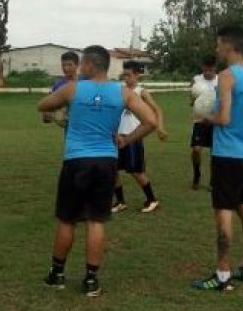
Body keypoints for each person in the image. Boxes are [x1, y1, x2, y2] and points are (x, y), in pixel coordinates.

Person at [38, 46, 156, 297]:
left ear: (91, 64)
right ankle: (91, 280)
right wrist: (126, 140)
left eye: (82, 63)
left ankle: (57, 274)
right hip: (106, 162)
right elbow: (151, 122)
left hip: (76, 160)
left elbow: (43, 105)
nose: (80, 67)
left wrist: (65, 107)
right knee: (96, 220)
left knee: (68, 219)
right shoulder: (122, 92)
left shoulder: (72, 88)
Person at [192, 26, 243, 291]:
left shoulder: (226, 76)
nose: (216, 49)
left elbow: (223, 118)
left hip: (226, 156)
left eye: (218, 44)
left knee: (223, 211)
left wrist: (204, 116)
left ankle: (223, 275)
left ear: (230, 46)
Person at [112, 60, 167, 214]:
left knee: (136, 171)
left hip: (133, 137)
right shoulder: (120, 90)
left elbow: (157, 110)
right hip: (118, 137)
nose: (126, 79)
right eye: (124, 75)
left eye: (129, 75)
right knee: (113, 169)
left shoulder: (141, 92)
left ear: (137, 75)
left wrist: (160, 127)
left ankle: (152, 199)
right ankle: (120, 202)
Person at [190, 55, 218, 190]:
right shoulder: (196, 80)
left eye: (210, 70)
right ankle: (197, 174)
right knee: (196, 150)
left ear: (215, 69)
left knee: (215, 152)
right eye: (205, 70)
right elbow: (191, 99)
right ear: (202, 68)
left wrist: (213, 116)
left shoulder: (220, 81)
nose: (208, 73)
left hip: (215, 121)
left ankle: (214, 180)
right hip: (199, 121)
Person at [43, 51, 80, 127]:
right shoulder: (58, 84)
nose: (66, 68)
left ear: (77, 65)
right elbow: (49, 105)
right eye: (63, 65)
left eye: (70, 65)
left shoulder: (86, 82)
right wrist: (48, 114)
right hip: (70, 132)